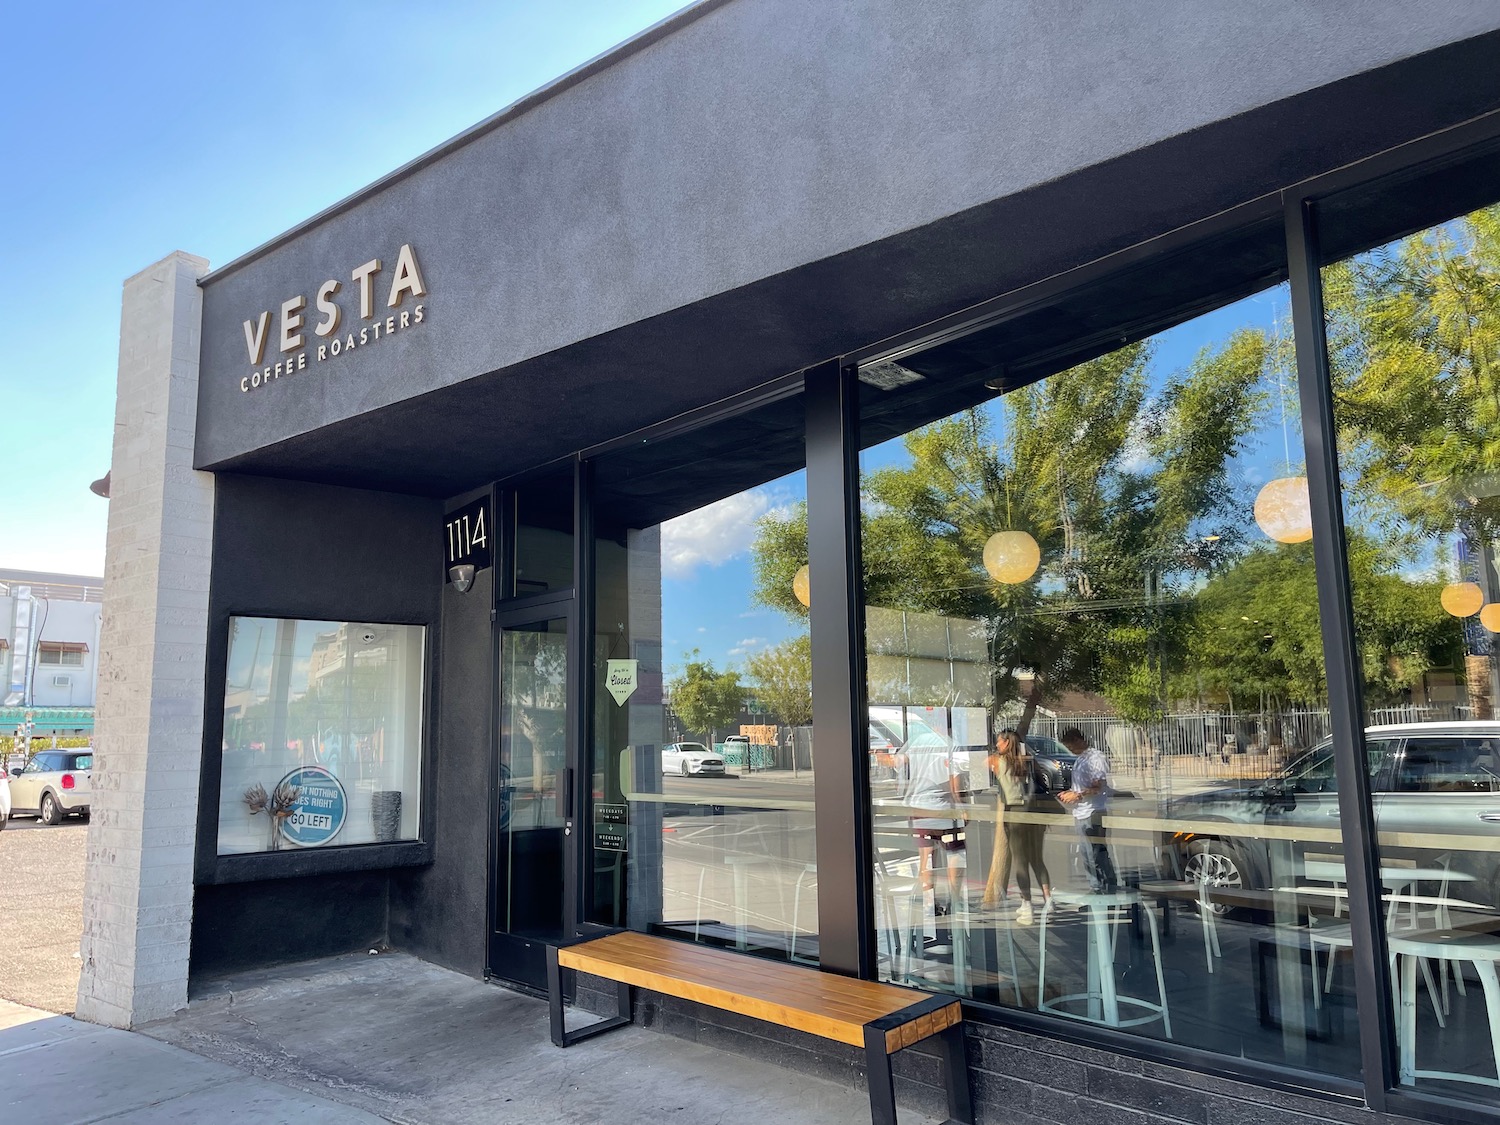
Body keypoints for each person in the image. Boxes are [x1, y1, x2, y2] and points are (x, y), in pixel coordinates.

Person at [982, 729, 1052, 923]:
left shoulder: (997, 761)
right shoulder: (1027, 761)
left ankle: (1027, 904)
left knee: (1020, 860)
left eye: (999, 742)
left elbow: (981, 764)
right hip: (1034, 812)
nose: (996, 745)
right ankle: (1048, 900)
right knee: (1036, 858)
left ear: (1006, 743)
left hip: (1014, 813)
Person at [1057, 726, 1117, 893]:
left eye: (1070, 746)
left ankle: (1106, 889)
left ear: (1078, 740)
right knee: (1087, 855)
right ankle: (1096, 887)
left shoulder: (1095, 758)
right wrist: (1071, 793)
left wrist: (1078, 795)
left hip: (1093, 811)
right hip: (1082, 811)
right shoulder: (1081, 759)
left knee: (1096, 855)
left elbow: (1098, 786)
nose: (1070, 750)